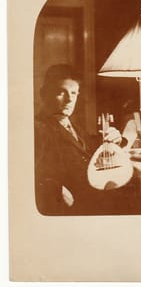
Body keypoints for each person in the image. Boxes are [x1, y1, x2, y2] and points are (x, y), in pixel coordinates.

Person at [34, 64, 124, 215]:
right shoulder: (37, 128)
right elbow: (27, 175)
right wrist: (56, 189)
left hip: (92, 196)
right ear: (44, 94)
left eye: (74, 93)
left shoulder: (71, 125)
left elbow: (86, 145)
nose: (69, 99)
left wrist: (115, 138)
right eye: (61, 92)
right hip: (70, 206)